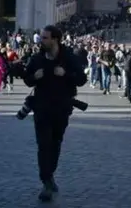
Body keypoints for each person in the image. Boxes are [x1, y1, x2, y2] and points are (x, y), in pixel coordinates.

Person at [23, 25, 87, 202]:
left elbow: (82, 79)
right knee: (43, 144)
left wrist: (66, 74)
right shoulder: (36, 59)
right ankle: (46, 182)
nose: (41, 40)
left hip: (61, 108)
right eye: (41, 37)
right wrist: (34, 77)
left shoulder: (69, 58)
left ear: (55, 39)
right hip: (42, 108)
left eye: (45, 38)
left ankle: (49, 175)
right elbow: (27, 79)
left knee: (55, 142)